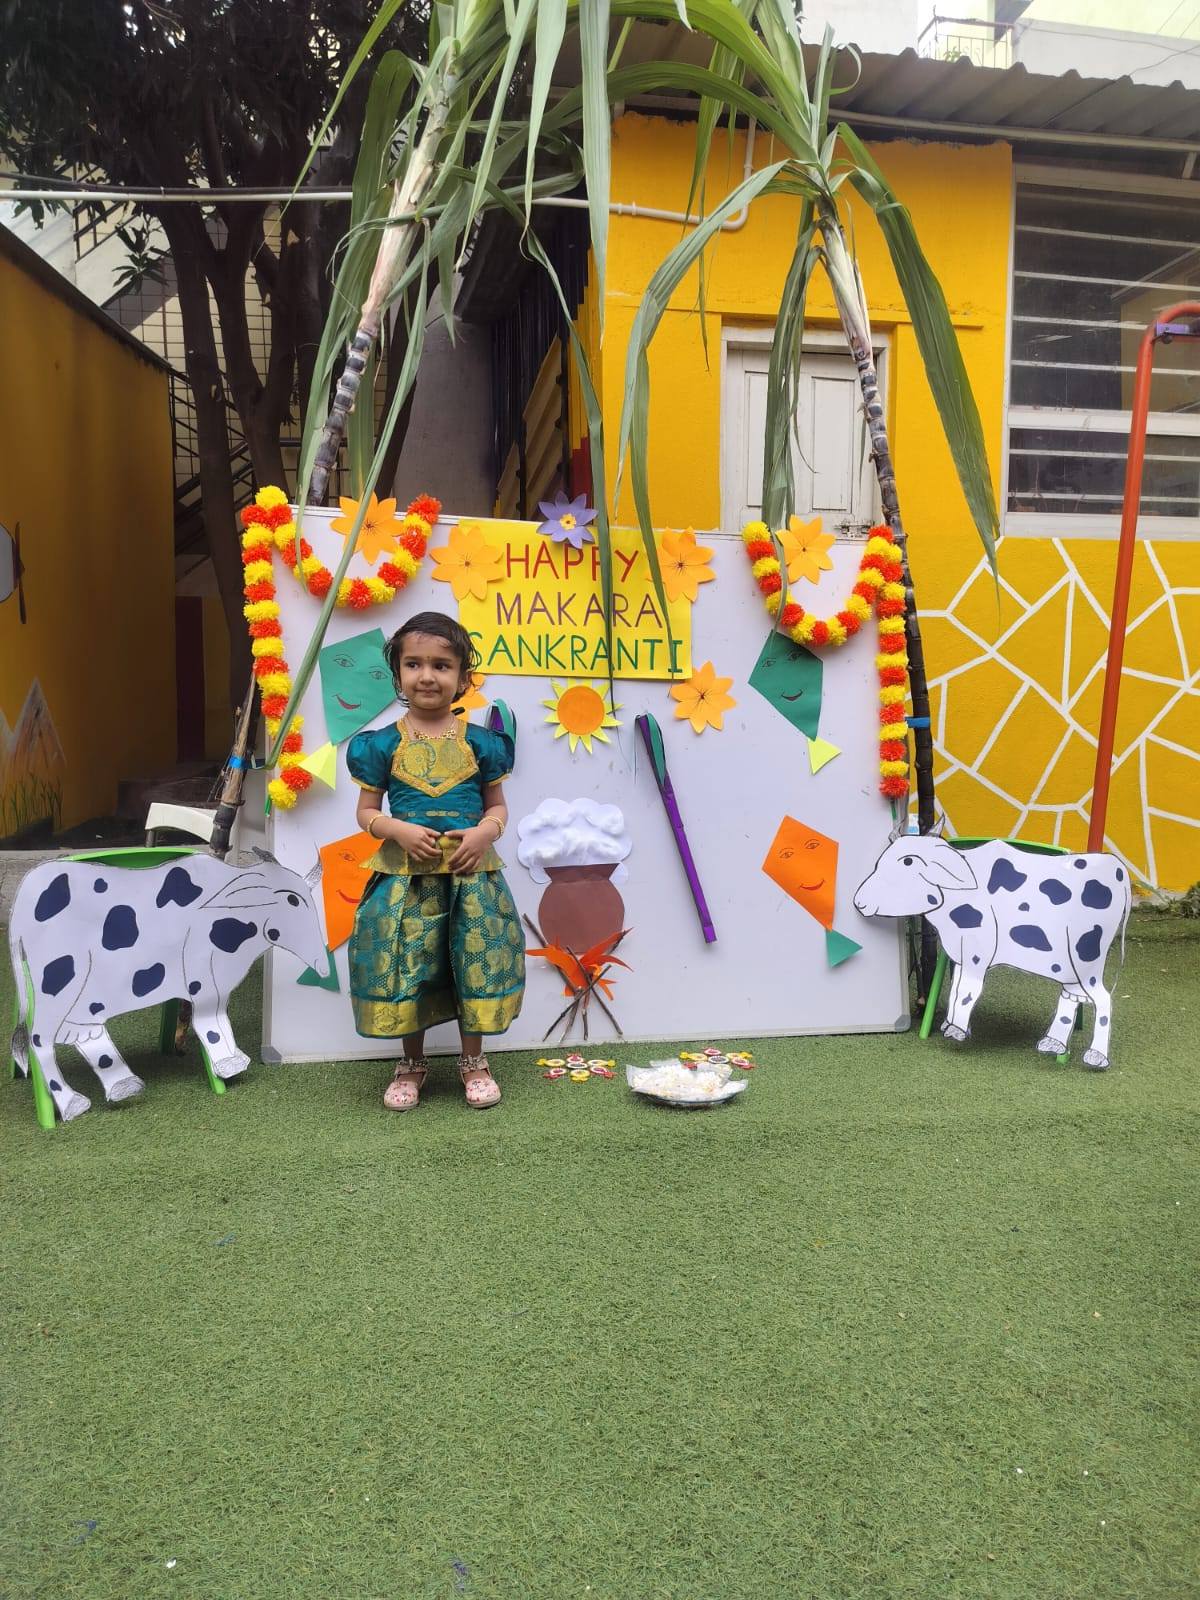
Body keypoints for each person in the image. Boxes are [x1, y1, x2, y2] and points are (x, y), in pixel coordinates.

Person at [346, 612, 525, 1110]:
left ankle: (473, 1061)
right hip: (407, 880)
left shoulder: (483, 742)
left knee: (473, 963)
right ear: (398, 674)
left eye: (443, 665)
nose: (428, 675)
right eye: (414, 664)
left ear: (464, 676)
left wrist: (486, 832)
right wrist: (396, 828)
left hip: (472, 875)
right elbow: (365, 811)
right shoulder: (380, 744)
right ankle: (412, 1062)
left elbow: (497, 805)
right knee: (409, 962)